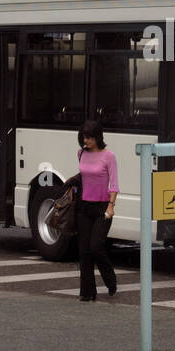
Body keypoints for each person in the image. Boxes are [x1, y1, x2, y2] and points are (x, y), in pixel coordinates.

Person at [75, 120, 118, 301]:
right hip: (84, 206)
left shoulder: (109, 156)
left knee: (96, 247)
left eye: (90, 137)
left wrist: (110, 206)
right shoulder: (81, 153)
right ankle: (87, 293)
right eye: (84, 137)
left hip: (102, 208)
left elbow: (114, 184)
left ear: (98, 137)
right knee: (84, 251)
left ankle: (110, 280)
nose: (86, 140)